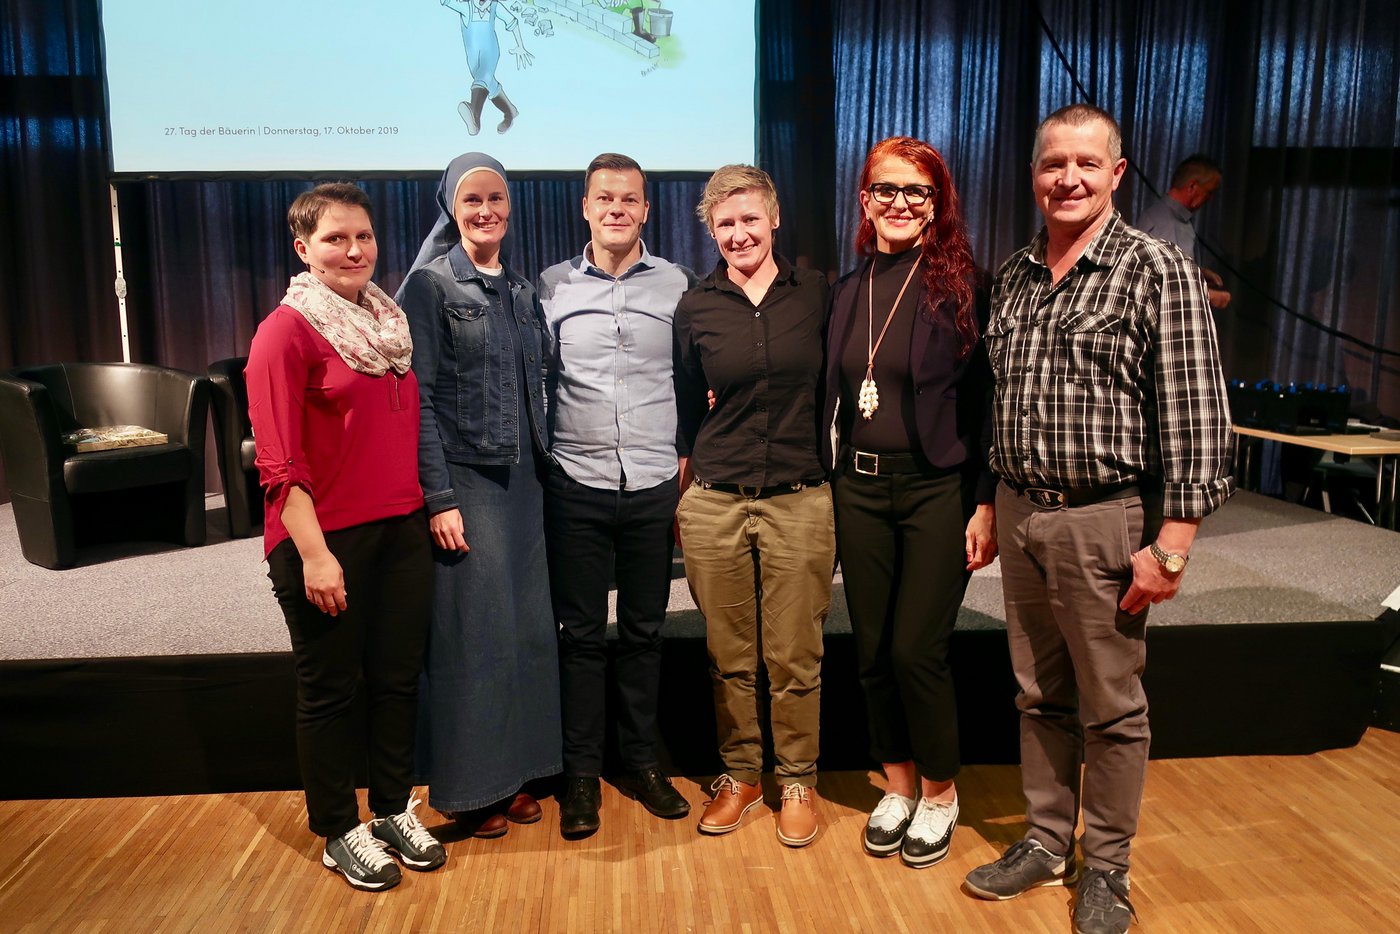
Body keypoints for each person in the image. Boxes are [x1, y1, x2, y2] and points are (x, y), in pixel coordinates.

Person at [964, 105, 1233, 934]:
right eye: (1054, 163)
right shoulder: (1015, 275)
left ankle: (1108, 868)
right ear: (1033, 174)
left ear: (1117, 173)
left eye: (1087, 163)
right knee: (1038, 694)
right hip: (1021, 511)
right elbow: (1000, 401)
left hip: (1103, 519)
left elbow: (1197, 415)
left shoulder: (1157, 269)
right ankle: (1047, 841)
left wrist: (1173, 546)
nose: (1068, 178)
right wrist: (988, 501)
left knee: (1111, 706)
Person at [246, 183, 445, 891]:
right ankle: (337, 828)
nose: (354, 250)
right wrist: (314, 555)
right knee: (330, 690)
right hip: (323, 541)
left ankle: (390, 809)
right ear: (304, 249)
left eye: (363, 236)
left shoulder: (388, 325)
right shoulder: (285, 333)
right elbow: (279, 464)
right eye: (335, 238)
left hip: (400, 529)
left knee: (396, 681)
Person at [823, 137, 997, 869]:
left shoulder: (965, 286)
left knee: (915, 650)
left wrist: (985, 504)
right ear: (864, 199)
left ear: (936, 204)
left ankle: (940, 793)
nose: (899, 203)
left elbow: (989, 406)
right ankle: (896, 785)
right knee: (871, 652)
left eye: (916, 191)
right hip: (858, 489)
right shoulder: (846, 288)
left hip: (936, 490)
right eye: (885, 189)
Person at [398, 152, 562, 839]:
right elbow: (417, 399)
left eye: (496, 198)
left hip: (526, 484)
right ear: (451, 208)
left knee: (524, 632)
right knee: (475, 638)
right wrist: (438, 497)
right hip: (467, 482)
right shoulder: (430, 286)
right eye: (472, 200)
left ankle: (517, 775)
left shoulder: (521, 288)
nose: (486, 210)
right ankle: (471, 789)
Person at [674, 164, 835, 848]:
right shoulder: (696, 307)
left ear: (774, 220)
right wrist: (684, 498)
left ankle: (797, 779)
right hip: (716, 500)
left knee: (795, 654)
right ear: (711, 231)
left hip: (800, 499)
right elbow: (688, 407)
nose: (738, 233)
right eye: (725, 223)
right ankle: (740, 774)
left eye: (749, 219)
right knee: (729, 654)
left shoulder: (818, 295)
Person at [537, 153, 694, 838]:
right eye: (604, 198)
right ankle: (580, 775)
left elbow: (693, 380)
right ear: (585, 207)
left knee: (643, 633)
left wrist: (688, 464)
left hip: (655, 481)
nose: (617, 209)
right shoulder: (551, 286)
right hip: (577, 481)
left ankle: (641, 763)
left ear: (646, 209)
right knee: (579, 637)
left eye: (629, 199)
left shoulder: (679, 285)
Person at [1135, 154, 1231, 309]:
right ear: (1192, 186)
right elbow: (1164, 284)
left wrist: (1198, 272)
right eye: (1209, 192)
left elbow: (1172, 267)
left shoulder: (1172, 219)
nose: (1211, 198)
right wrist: (1209, 295)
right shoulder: (1164, 224)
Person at [443, 0, 533, 135]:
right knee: (487, 81)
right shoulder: (466, 7)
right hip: (473, 60)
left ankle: (475, 116)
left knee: (484, 76)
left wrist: (520, 46)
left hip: (490, 53)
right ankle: (510, 111)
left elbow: (511, 21)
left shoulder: (494, 7)